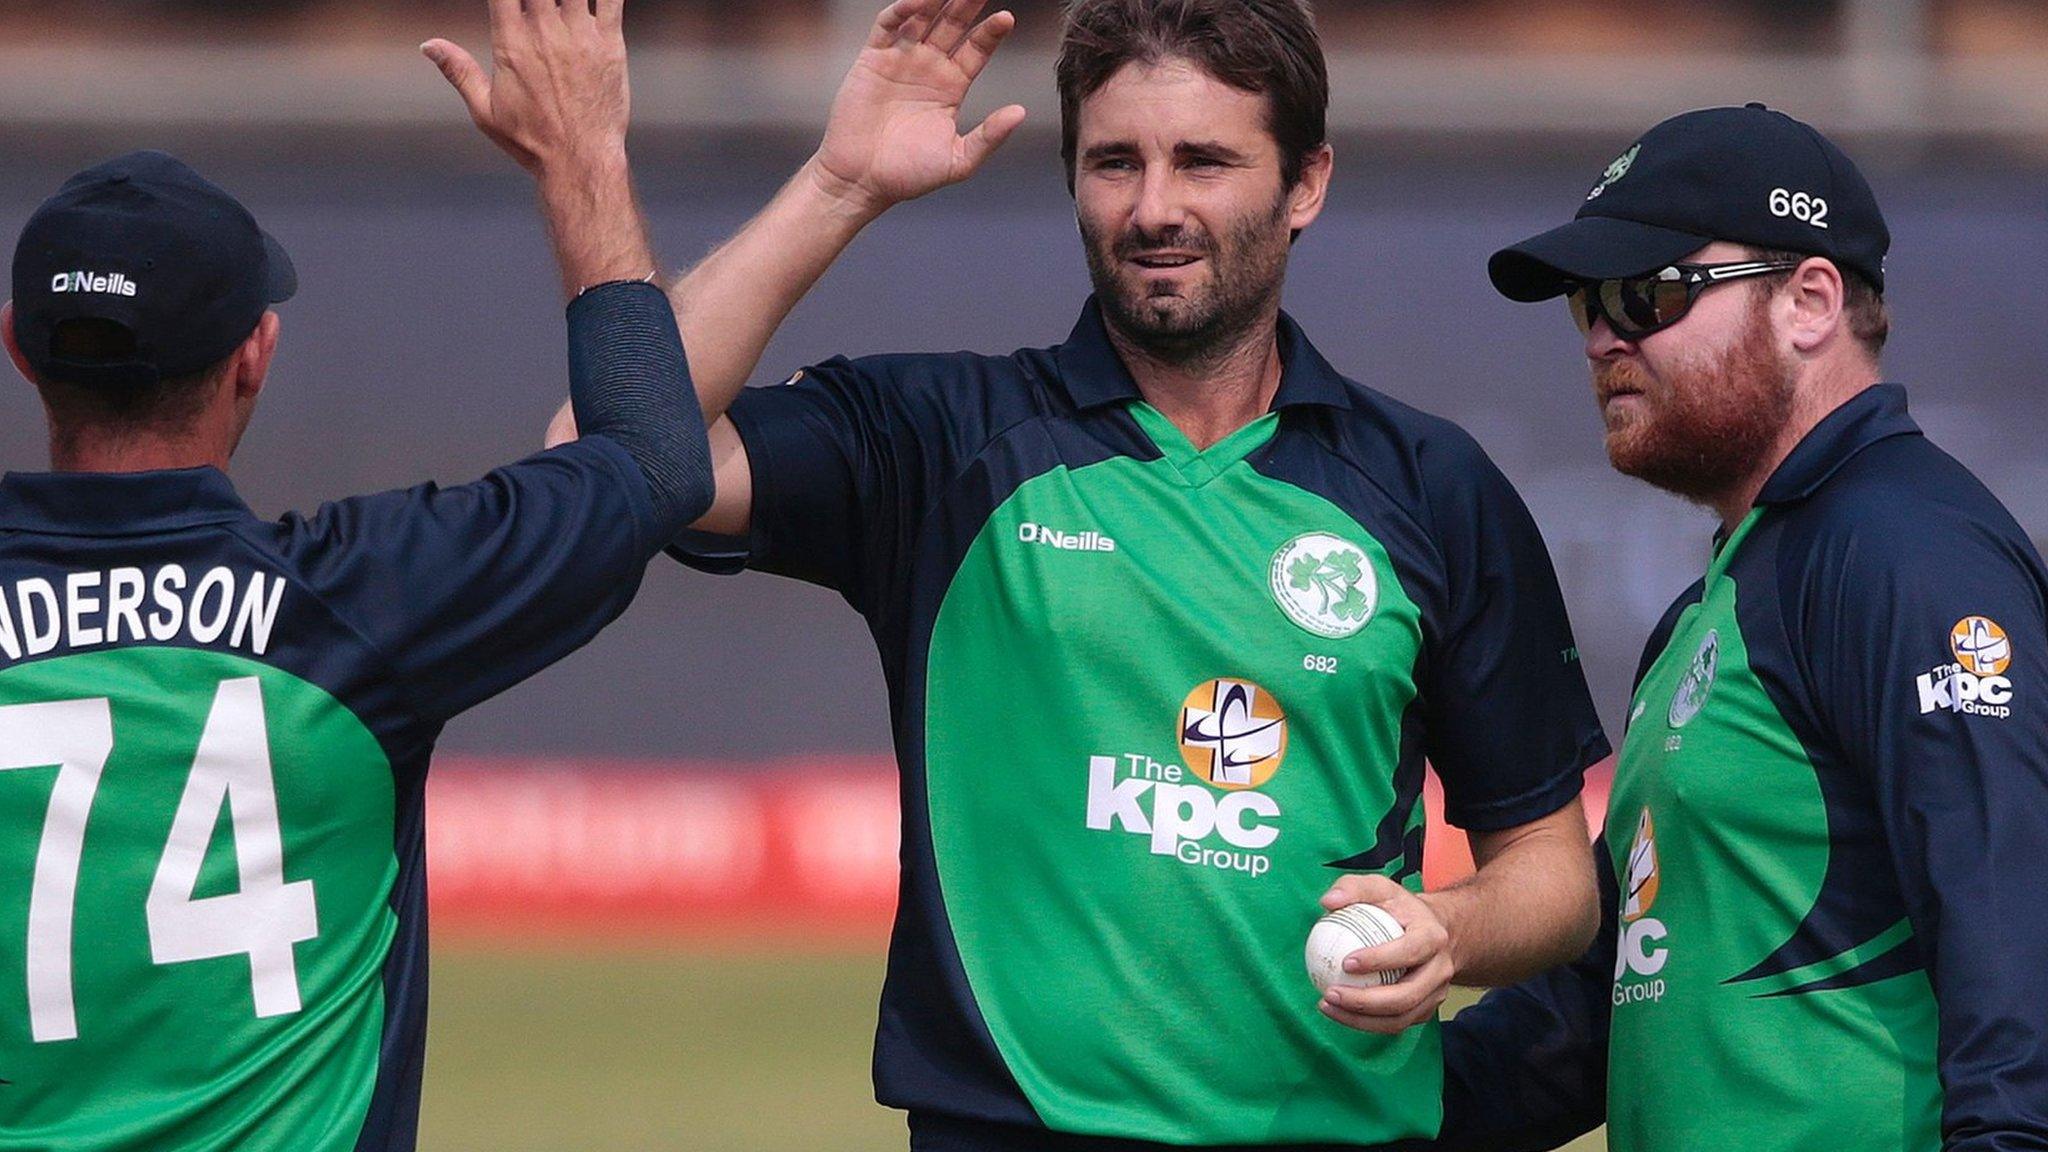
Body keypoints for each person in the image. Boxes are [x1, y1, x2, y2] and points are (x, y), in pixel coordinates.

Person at [467, 0, 1606, 1146]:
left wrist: (1450, 933)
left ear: (1303, 183)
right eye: (1114, 162)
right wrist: (839, 184)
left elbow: (1552, 875)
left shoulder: (1429, 486)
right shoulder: (942, 438)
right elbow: (609, 449)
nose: (1153, 208)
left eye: (1201, 160)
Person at [0, 3, 708, 1149]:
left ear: (20, 348)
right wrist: (579, 155)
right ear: (253, 360)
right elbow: (655, 463)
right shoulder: (364, 602)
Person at [1439, 104, 2048, 1151]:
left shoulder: (1904, 550)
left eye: (1644, 292)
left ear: (1807, 301)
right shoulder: (1722, 592)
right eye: (1585, 302)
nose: (1599, 335)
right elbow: (1599, 1011)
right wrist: (1337, 1113)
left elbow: (2014, 932)